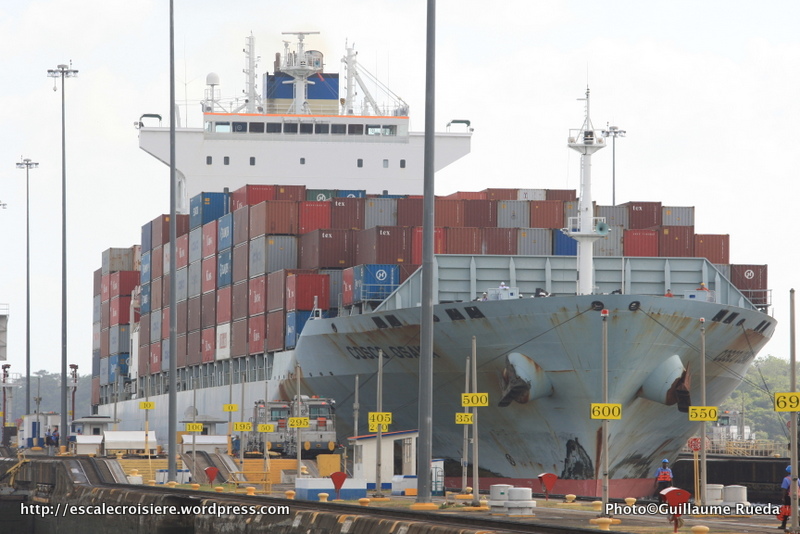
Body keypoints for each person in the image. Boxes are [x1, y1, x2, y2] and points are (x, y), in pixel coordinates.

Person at [779, 465, 799, 530]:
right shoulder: (797, 479)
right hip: (796, 496)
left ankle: (783, 525)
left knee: (786, 510)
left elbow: (784, 489)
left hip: (788, 497)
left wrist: (783, 497)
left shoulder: (786, 479)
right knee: (796, 510)